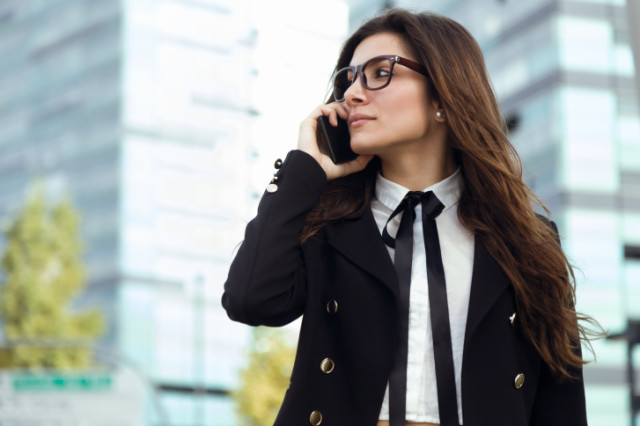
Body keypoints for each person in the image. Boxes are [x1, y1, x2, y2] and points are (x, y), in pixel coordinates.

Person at [222, 8, 599, 426]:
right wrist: (302, 170)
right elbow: (250, 299)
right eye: (348, 79)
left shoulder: (527, 238)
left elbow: (560, 400)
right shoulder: (330, 222)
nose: (352, 94)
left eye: (380, 72)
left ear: (442, 95)